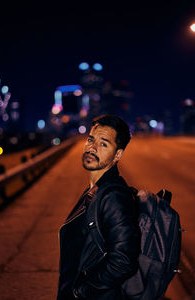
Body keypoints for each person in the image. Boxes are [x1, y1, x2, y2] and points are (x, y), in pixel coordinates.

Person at [57, 114, 141, 300]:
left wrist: (81, 291)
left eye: (104, 144)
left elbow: (124, 260)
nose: (92, 147)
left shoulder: (114, 196)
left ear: (117, 154)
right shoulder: (95, 190)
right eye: (90, 139)